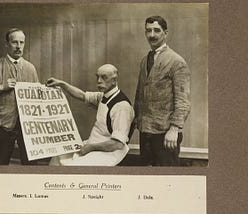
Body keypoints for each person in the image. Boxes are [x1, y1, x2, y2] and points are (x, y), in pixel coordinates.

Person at [46, 64, 134, 166]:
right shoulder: (103, 96)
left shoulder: (122, 106)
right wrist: (62, 84)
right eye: (97, 77)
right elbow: (82, 95)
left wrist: (91, 147)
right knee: (58, 156)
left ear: (114, 80)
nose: (99, 81)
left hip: (109, 151)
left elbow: (117, 144)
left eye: (104, 77)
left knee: (72, 166)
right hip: (93, 144)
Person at [132, 16, 191, 166]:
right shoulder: (145, 61)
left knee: (167, 179)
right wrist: (135, 120)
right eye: (148, 31)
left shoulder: (176, 61)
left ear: (165, 33)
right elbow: (140, 94)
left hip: (165, 134)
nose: (152, 35)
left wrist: (174, 129)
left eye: (156, 30)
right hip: (145, 132)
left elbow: (183, 100)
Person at [0, 28, 39, 165]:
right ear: (7, 44)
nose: (18, 46)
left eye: (21, 42)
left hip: (27, 127)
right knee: (1, 163)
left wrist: (48, 92)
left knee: (31, 166)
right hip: (2, 126)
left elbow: (36, 98)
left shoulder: (30, 68)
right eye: (14, 42)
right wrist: (1, 87)